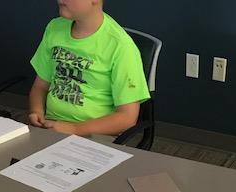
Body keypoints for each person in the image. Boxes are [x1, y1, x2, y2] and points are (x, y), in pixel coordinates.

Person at [29, 0, 150, 136]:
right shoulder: (54, 28)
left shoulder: (121, 46)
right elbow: (40, 86)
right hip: (51, 126)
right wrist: (36, 111)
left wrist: (73, 129)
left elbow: (127, 118)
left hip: (95, 134)